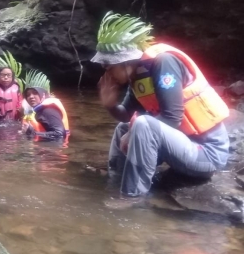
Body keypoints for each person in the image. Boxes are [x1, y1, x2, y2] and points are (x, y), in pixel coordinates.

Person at [92, 12, 230, 200]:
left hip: (207, 153)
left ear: (126, 60)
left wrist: (133, 133)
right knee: (122, 127)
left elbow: (172, 117)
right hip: (182, 146)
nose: (106, 71)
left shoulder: (163, 63)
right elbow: (125, 115)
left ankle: (132, 197)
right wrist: (110, 105)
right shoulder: (139, 75)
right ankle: (116, 179)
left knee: (143, 125)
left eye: (109, 65)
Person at [21, 70, 69, 141]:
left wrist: (32, 132)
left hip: (53, 149)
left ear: (43, 95)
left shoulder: (48, 111)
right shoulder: (34, 110)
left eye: (35, 93)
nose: (31, 96)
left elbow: (60, 134)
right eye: (28, 95)